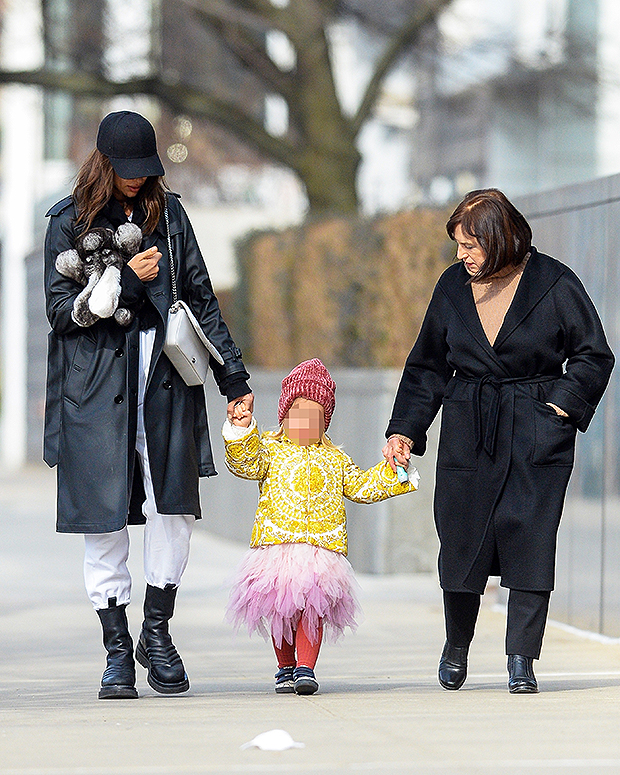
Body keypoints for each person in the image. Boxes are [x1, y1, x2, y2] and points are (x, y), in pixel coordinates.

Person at [43, 110, 253, 699]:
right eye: (125, 170)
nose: (136, 180)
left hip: (166, 383)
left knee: (175, 508)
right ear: (102, 163)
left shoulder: (171, 216)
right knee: (103, 518)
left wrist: (233, 381)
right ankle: (116, 649)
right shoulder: (66, 223)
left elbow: (202, 299)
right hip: (95, 392)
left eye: (144, 170)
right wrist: (127, 284)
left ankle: (156, 632)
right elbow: (63, 315)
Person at [383, 188, 614, 694]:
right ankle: (456, 646)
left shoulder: (554, 281)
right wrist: (404, 428)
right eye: (458, 246)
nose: (461, 256)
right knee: (462, 540)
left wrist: (561, 407)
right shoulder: (451, 287)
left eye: (470, 245)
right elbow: (427, 365)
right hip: (470, 425)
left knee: (530, 539)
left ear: (500, 238)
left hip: (536, 429)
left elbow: (594, 355)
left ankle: (521, 660)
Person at [222, 358, 419, 695]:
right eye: (298, 412)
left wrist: (395, 471)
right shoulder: (269, 451)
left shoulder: (334, 459)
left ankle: (305, 667)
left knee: (313, 611)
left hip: (321, 552)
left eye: (314, 417)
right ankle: (285, 666)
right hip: (277, 548)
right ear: (284, 416)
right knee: (281, 611)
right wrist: (241, 431)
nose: (305, 422)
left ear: (324, 422)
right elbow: (244, 463)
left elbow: (361, 486)